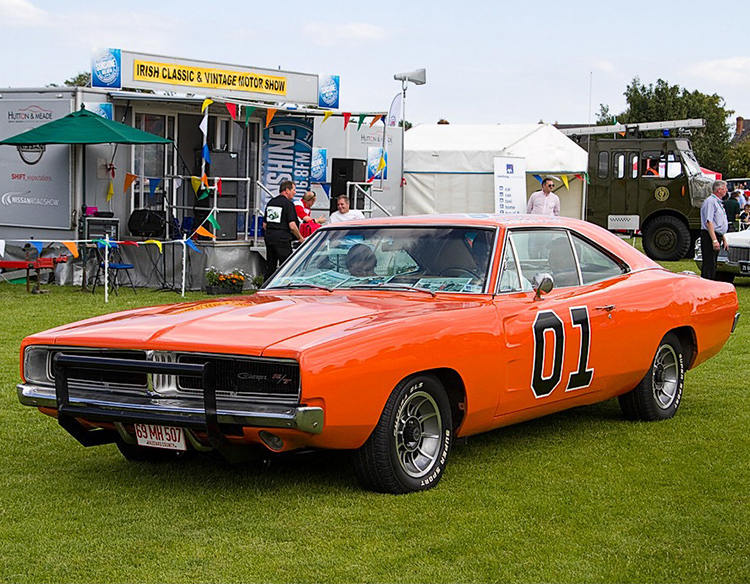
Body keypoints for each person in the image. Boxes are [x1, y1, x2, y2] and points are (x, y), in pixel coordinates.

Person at [263, 180, 305, 282]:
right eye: (294, 190)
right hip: (282, 238)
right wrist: (300, 238)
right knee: (287, 265)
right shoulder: (288, 204)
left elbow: (265, 224)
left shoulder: (271, 202)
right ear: (287, 190)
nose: (295, 193)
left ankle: (266, 286)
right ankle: (286, 285)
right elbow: (292, 226)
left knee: (271, 265)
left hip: (269, 237)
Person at [700, 180, 729, 280]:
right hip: (709, 235)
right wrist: (714, 240)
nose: (726, 190)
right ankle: (706, 283)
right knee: (709, 263)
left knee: (713, 263)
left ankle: (710, 282)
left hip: (716, 234)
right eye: (725, 188)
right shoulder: (710, 202)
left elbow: (719, 222)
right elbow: (709, 222)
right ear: (719, 190)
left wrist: (723, 237)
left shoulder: (718, 202)